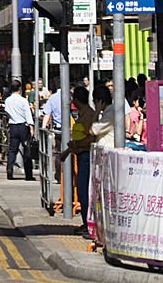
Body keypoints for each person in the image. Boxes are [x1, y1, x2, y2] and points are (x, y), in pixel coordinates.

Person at [60, 86, 95, 237]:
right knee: (81, 191)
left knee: (84, 191)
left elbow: (89, 137)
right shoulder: (83, 114)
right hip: (81, 156)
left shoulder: (88, 115)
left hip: (86, 156)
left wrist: (71, 148)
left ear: (77, 100)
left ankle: (89, 226)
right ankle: (86, 223)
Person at [3, 80, 34, 181]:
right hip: (23, 127)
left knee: (12, 150)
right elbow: (28, 114)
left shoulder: (8, 100)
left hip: (13, 126)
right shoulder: (23, 100)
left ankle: (9, 168)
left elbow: (7, 112)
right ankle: (28, 174)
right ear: (20, 88)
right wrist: (31, 126)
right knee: (27, 150)